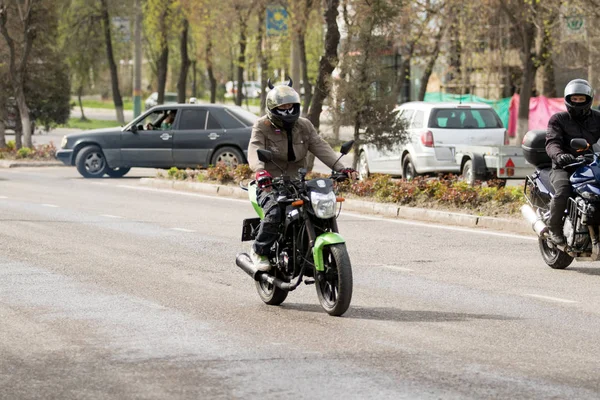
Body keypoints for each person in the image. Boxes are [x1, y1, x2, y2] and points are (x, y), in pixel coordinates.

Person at [247, 81, 357, 271]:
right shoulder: (262, 126)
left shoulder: (304, 125)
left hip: (298, 182)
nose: (287, 110)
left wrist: (342, 168)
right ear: (272, 107)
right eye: (282, 106)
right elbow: (254, 148)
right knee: (275, 212)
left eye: (290, 106)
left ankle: (309, 248)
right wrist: (260, 171)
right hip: (270, 183)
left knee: (318, 209)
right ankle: (259, 250)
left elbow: (321, 146)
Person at [545, 78, 600, 245]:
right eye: (574, 99)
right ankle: (554, 228)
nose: (577, 102)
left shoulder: (598, 118)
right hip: (564, 166)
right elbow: (552, 142)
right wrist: (560, 156)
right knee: (563, 191)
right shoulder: (558, 119)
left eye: (581, 99)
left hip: (590, 164)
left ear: (588, 99)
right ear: (568, 100)